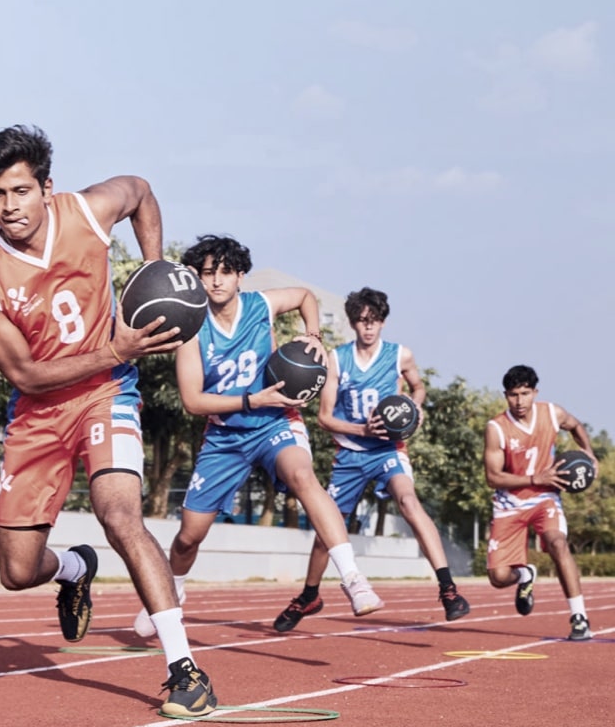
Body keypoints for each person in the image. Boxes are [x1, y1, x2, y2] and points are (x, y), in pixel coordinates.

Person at [0, 124, 215, 718]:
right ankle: (75, 568)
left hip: (106, 394)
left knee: (120, 515)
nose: (10, 206)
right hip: (39, 412)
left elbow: (142, 191)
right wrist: (118, 349)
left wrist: (157, 270)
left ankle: (184, 669)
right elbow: (23, 374)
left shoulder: (89, 211)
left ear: (47, 186)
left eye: (20, 191)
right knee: (17, 573)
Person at [131, 235, 385, 639]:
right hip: (226, 437)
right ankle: (173, 590)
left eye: (224, 273)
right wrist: (251, 399)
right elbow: (194, 401)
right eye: (207, 273)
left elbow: (304, 297)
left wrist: (313, 335)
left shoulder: (261, 305)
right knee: (188, 537)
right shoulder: (192, 329)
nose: (216, 281)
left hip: (275, 422)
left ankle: (354, 578)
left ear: (239, 276)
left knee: (304, 478)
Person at [272, 288, 469, 632]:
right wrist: (362, 429)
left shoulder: (399, 355)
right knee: (326, 528)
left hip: (389, 450)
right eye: (362, 321)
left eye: (374, 321)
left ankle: (448, 589)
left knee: (408, 500)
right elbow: (325, 418)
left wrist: (416, 408)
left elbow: (418, 387)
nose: (368, 328)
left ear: (383, 322)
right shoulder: (337, 359)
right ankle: (309, 595)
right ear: (352, 323)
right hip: (350, 453)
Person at [483, 365, 597, 641]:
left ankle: (579, 617)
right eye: (513, 395)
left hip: (545, 498)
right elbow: (493, 478)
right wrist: (535, 476)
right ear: (506, 395)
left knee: (558, 543)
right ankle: (524, 574)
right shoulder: (497, 428)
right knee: (498, 577)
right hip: (510, 504)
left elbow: (576, 425)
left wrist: (589, 454)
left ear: (535, 392)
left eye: (525, 393)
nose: (519, 401)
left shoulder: (551, 413)